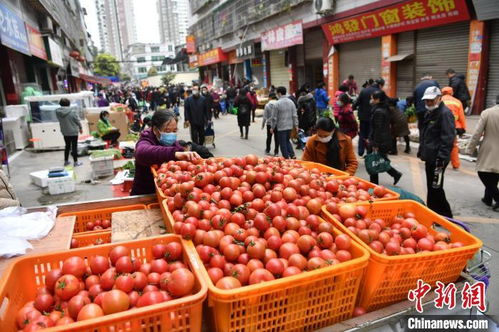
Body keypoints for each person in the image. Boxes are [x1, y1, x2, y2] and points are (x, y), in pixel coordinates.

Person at [131, 110, 201, 195]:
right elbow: (141, 153)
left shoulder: (173, 144)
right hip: (145, 194)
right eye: (167, 131)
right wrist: (174, 154)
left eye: (174, 131)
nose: (171, 134)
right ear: (155, 130)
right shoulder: (146, 140)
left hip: (166, 195)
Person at [418, 86, 455, 218]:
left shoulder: (445, 114)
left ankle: (447, 215)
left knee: (436, 187)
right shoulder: (430, 112)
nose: (428, 103)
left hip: (438, 159)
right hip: (430, 157)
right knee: (431, 186)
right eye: (426, 100)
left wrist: (441, 158)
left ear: (439, 98)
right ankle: (433, 213)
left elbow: (448, 138)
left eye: (431, 100)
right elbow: (426, 135)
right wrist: (421, 151)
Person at [466, 94, 499, 211]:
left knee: (483, 172)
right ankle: (487, 198)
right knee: (495, 173)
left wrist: (470, 148)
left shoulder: (488, 113)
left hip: (490, 147)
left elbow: (477, 133)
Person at [368, 90, 403, 185]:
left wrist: (375, 144)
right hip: (384, 139)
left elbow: (378, 129)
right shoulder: (384, 108)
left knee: (374, 161)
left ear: (378, 99)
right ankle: (395, 174)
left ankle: (374, 183)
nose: (371, 100)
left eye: (372, 98)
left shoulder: (379, 111)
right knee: (380, 160)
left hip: (380, 141)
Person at [354, 78, 384, 156]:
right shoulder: (380, 92)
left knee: (362, 134)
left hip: (363, 117)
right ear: (380, 85)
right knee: (371, 135)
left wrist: (352, 108)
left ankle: (360, 151)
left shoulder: (364, 90)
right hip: (373, 117)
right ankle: (369, 152)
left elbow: (357, 102)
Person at [441, 87, 467, 169]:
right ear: (451, 93)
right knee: (453, 146)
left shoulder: (439, 100)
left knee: (440, 144)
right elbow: (461, 117)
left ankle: (439, 163)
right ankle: (455, 165)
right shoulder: (457, 102)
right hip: (453, 127)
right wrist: (463, 128)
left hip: (441, 126)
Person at [271, 86, 298, 159]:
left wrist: (272, 127)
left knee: (282, 143)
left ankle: (286, 158)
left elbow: (274, 118)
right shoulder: (291, 102)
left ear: (279, 93)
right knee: (287, 140)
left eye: (277, 93)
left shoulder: (277, 104)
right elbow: (294, 115)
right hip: (290, 126)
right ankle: (292, 155)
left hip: (281, 126)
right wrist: (296, 125)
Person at [56, 98, 83, 166]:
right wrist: (80, 127)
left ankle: (66, 161)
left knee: (67, 146)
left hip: (65, 131)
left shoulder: (58, 112)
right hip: (73, 131)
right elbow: (77, 121)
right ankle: (76, 162)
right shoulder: (72, 112)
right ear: (69, 104)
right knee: (74, 147)